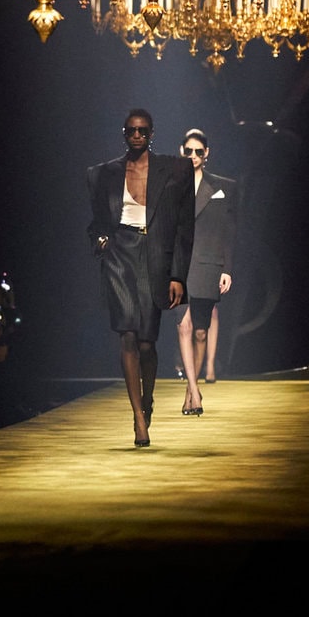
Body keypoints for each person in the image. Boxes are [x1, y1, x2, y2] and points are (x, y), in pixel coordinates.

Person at [86, 107, 194, 447]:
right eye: (131, 130)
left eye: (142, 131)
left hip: (155, 256)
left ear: (151, 134)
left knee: (147, 342)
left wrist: (178, 275)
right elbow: (96, 223)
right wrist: (100, 241)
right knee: (128, 334)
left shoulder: (175, 170)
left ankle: (147, 401)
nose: (137, 135)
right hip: (120, 255)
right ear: (124, 133)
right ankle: (137, 416)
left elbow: (184, 228)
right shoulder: (104, 174)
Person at [172, 127, 238, 407]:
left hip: (209, 264)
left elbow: (229, 232)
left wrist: (227, 268)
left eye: (198, 151)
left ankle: (192, 389)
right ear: (181, 151)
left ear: (207, 153)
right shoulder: (171, 186)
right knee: (184, 325)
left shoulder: (224, 187)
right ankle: (194, 391)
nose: (194, 155)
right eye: (189, 151)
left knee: (200, 331)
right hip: (180, 264)